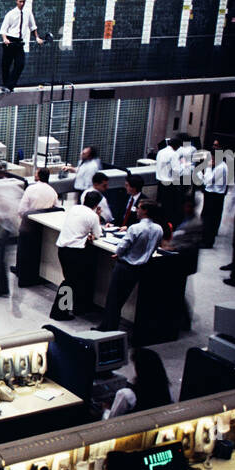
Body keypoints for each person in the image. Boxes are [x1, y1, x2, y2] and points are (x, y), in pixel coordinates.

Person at [97, 200, 162, 332]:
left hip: (125, 266)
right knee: (122, 298)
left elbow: (122, 247)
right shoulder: (158, 229)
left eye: (138, 208)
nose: (136, 210)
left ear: (145, 211)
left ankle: (107, 328)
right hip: (141, 268)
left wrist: (118, 254)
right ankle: (110, 327)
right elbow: (154, 247)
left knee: (113, 299)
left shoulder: (135, 228)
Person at [51, 189, 103, 320]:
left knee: (71, 280)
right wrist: (97, 216)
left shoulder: (74, 209)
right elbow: (98, 234)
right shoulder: (93, 216)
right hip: (75, 252)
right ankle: (59, 312)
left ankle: (69, 309)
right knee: (70, 282)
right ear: (97, 204)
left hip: (63, 249)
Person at [102, 349, 171, 419]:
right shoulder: (164, 387)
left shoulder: (126, 394)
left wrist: (106, 410)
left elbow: (111, 421)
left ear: (138, 369)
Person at [0, 0, 43, 93]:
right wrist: (5, 39)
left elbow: (33, 27)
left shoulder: (28, 13)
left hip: (19, 42)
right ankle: (6, 85)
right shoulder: (10, 14)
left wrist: (37, 37)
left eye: (23, 2)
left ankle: (10, 85)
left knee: (20, 64)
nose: (22, 4)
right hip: (10, 41)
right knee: (6, 65)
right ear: (16, 1)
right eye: (20, 1)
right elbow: (3, 29)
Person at [0, 177, 24, 297]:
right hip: (9, 231)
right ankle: (3, 288)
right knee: (2, 260)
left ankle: (2, 289)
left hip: (4, 231)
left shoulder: (2, 201)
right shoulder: (9, 198)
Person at [200, 138, 229, 248]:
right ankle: (206, 237)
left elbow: (208, 180)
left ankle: (207, 241)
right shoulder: (219, 166)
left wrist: (208, 168)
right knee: (208, 217)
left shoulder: (220, 168)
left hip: (214, 194)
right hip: (212, 193)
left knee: (210, 219)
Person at [155, 136, 183, 228]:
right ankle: (168, 226)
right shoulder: (173, 154)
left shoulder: (160, 152)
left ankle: (160, 224)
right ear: (177, 146)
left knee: (161, 205)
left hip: (160, 182)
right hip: (169, 184)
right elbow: (177, 170)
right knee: (169, 207)